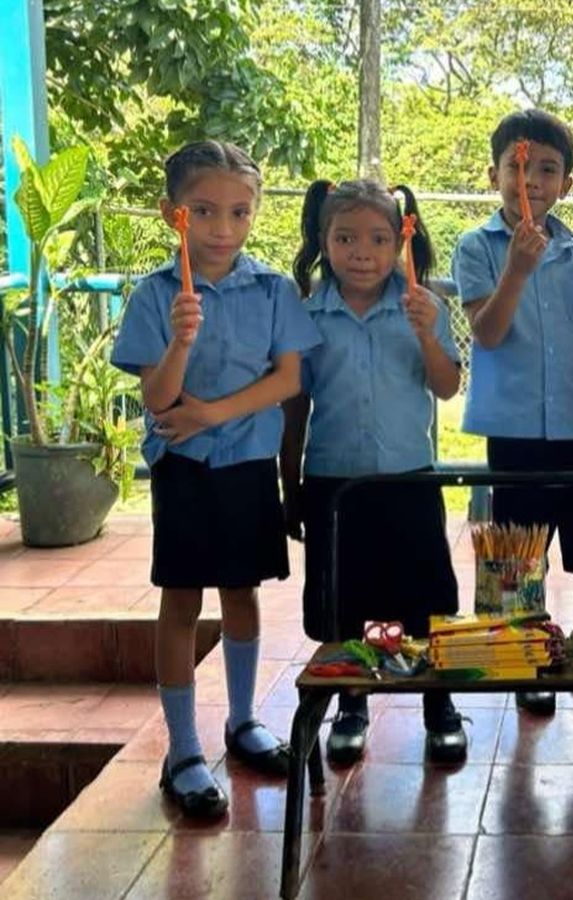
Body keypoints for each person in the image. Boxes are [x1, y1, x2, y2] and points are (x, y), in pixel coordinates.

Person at [111, 140, 321, 817]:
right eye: (203, 211)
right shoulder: (156, 295)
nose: (223, 228)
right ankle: (183, 750)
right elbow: (156, 398)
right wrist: (180, 341)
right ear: (172, 213)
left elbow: (288, 380)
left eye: (239, 212)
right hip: (185, 467)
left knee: (242, 592)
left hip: (248, 462)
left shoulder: (273, 289)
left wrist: (210, 413)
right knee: (180, 600)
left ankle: (242, 720)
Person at [451, 109, 573, 717]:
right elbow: (487, 332)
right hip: (516, 429)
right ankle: (525, 655)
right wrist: (518, 269)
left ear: (567, 183)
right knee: (519, 553)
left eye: (547, 170)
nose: (531, 181)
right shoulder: (477, 246)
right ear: (494, 174)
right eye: (517, 167)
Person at [282, 178, 466, 765]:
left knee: (427, 599)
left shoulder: (423, 305)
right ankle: (352, 703)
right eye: (345, 238)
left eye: (378, 239)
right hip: (334, 485)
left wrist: (425, 334)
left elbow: (446, 385)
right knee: (346, 603)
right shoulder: (307, 314)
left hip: (409, 480)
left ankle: (439, 705)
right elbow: (295, 407)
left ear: (400, 243)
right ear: (323, 240)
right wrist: (291, 487)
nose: (362, 252)